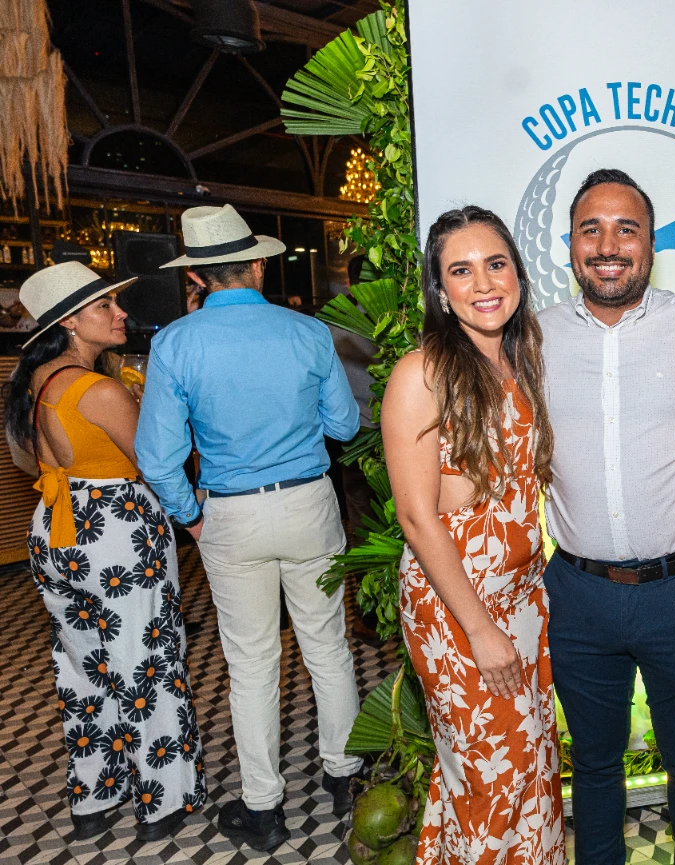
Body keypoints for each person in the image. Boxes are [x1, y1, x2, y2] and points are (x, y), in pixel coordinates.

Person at [135, 204, 364, 853]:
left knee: (252, 662)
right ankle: (344, 773)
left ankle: (263, 808)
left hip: (230, 513)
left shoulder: (176, 343)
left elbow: (157, 457)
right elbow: (345, 425)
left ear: (198, 277)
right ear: (258, 265)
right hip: (308, 503)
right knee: (327, 645)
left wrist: (191, 515)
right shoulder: (307, 331)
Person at [539, 169, 675, 865]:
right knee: (591, 765)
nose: (608, 245)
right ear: (570, 245)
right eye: (591, 229)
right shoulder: (533, 338)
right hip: (579, 593)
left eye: (626, 229)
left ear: (650, 244)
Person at [383, 206, 563, 864]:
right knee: (490, 779)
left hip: (524, 599)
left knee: (531, 769)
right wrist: (480, 629)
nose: (483, 283)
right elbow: (416, 517)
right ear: (440, 290)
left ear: (517, 274)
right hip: (458, 606)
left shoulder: (519, 361)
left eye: (496, 263)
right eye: (461, 270)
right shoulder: (422, 374)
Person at [6, 262, 206, 842]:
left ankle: (95, 798)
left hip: (56, 528)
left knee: (85, 666)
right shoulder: (99, 390)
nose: (121, 314)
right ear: (69, 322)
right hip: (114, 530)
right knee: (146, 662)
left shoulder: (34, 381)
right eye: (105, 307)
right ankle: (162, 800)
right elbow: (159, 461)